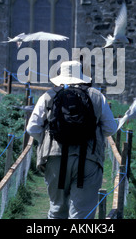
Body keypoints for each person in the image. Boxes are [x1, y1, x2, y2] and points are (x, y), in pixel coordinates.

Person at [26, 60, 117, 219]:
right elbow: (111, 128)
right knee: (82, 214)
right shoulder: (97, 96)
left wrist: (49, 141)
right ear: (81, 76)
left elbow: (32, 128)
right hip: (89, 158)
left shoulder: (48, 95)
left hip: (55, 159)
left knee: (57, 210)